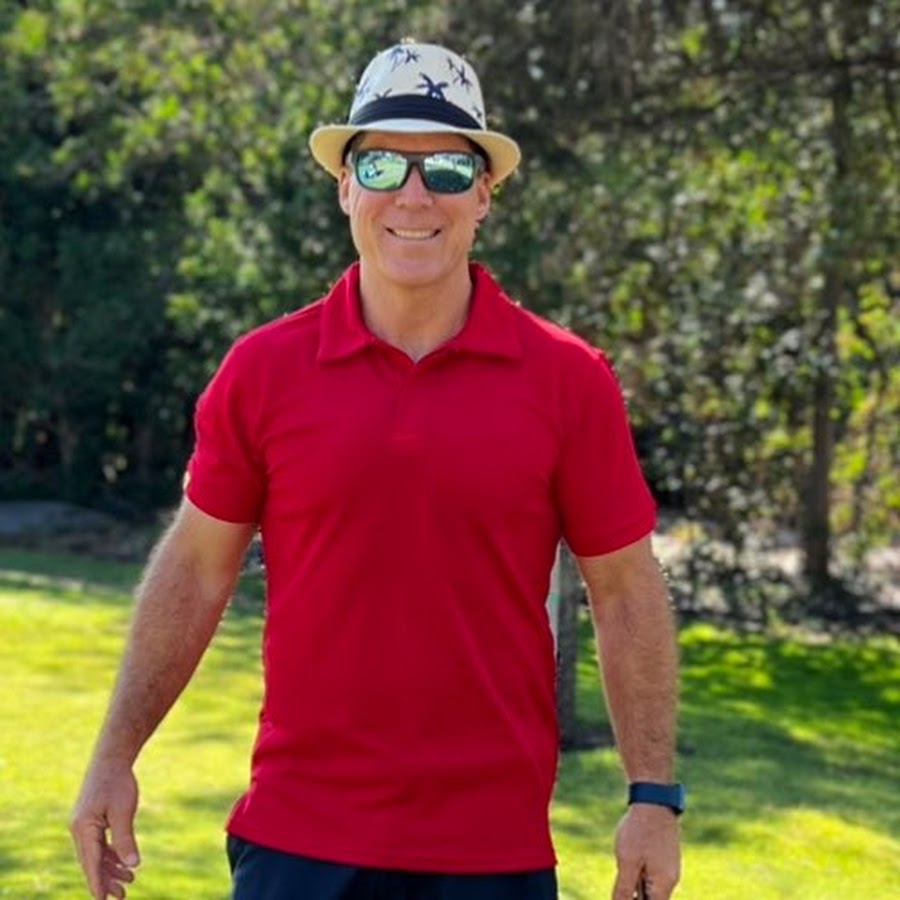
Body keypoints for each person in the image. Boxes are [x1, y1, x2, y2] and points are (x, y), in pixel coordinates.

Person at [70, 40, 683, 900]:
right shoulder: (263, 372)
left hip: (491, 853)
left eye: (446, 168)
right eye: (382, 164)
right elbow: (197, 570)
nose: (414, 195)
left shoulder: (568, 379)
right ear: (345, 187)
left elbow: (624, 590)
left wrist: (652, 795)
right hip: (297, 841)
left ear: (484, 194)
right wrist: (114, 755)